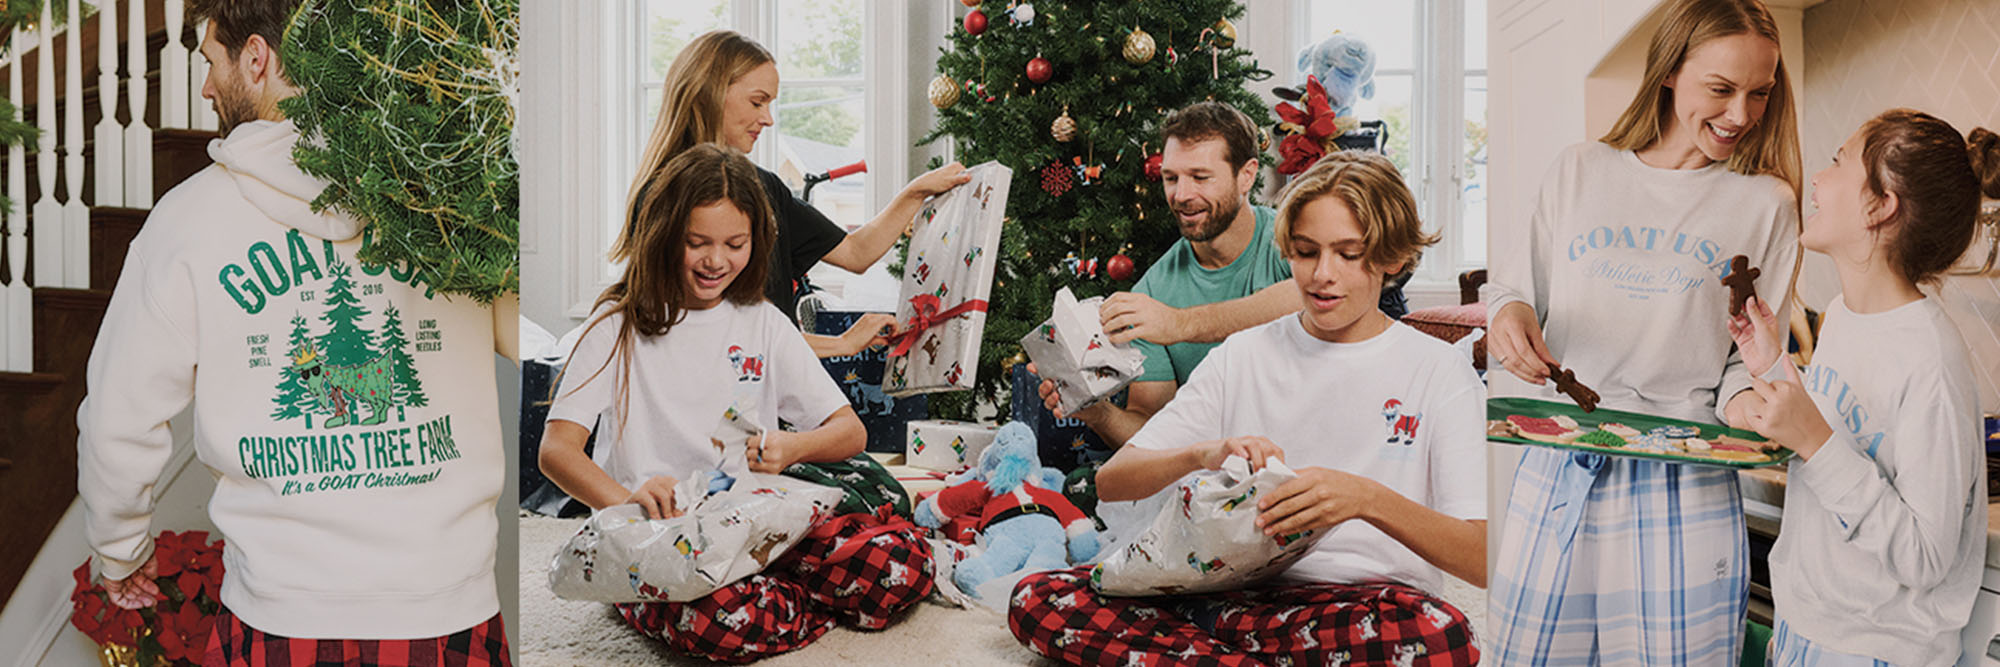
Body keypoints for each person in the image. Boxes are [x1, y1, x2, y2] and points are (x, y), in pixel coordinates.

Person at [78, 1, 517, 663]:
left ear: (257, 58)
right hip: (446, 608)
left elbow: (118, 418)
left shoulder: (187, 222)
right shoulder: (451, 201)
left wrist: (120, 551)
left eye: (211, 62)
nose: (204, 86)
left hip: (282, 613)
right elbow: (536, 343)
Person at [1009, 151, 1485, 666]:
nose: (1324, 275)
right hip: (1225, 597)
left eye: (1349, 255)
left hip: (1360, 605)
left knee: (1441, 636)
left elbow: (1481, 560)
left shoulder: (1439, 371)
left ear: (1392, 258)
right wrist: (1203, 454)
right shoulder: (1244, 353)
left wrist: (1365, 498)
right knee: (1039, 600)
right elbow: (1115, 482)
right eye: (1306, 252)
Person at [1483, 0, 1803, 662]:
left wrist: (1754, 400)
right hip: (1561, 462)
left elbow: (1749, 355)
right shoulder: (1580, 170)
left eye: (1760, 93)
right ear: (1668, 73)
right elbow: (1514, 290)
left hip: (1685, 477)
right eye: (1720, 88)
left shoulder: (1768, 204)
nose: (1741, 114)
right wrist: (1510, 315)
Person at [538, 144, 932, 663]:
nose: (716, 260)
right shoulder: (615, 328)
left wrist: (794, 446)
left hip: (759, 528)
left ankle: (779, 591)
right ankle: (784, 597)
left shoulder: (764, 320)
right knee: (723, 619)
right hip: (659, 539)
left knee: (896, 566)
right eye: (696, 242)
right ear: (662, 236)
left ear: (756, 242)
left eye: (735, 243)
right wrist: (626, 500)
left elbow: (848, 433)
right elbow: (557, 451)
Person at [1732, 109, 1997, 666]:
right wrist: (1772, 367)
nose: (1820, 181)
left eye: (1838, 162)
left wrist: (1816, 444)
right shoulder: (1846, 317)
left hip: (1873, 652)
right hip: (1807, 627)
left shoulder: (1931, 361)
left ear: (1881, 205)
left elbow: (1926, 556)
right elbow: (1840, 428)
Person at [635, 29, 969, 357]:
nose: (767, 119)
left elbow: (856, 253)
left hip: (766, 393)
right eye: (757, 101)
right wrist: (840, 344)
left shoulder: (763, 187)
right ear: (710, 92)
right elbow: (713, 335)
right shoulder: (664, 197)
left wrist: (915, 192)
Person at [1036, 102, 1300, 447]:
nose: (1182, 195)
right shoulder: (1153, 293)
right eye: (1171, 178)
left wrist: (1181, 325)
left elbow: (1309, 296)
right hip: (1213, 472)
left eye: (1201, 177)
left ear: (1246, 175)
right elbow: (1151, 429)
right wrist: (1094, 411)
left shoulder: (1292, 240)